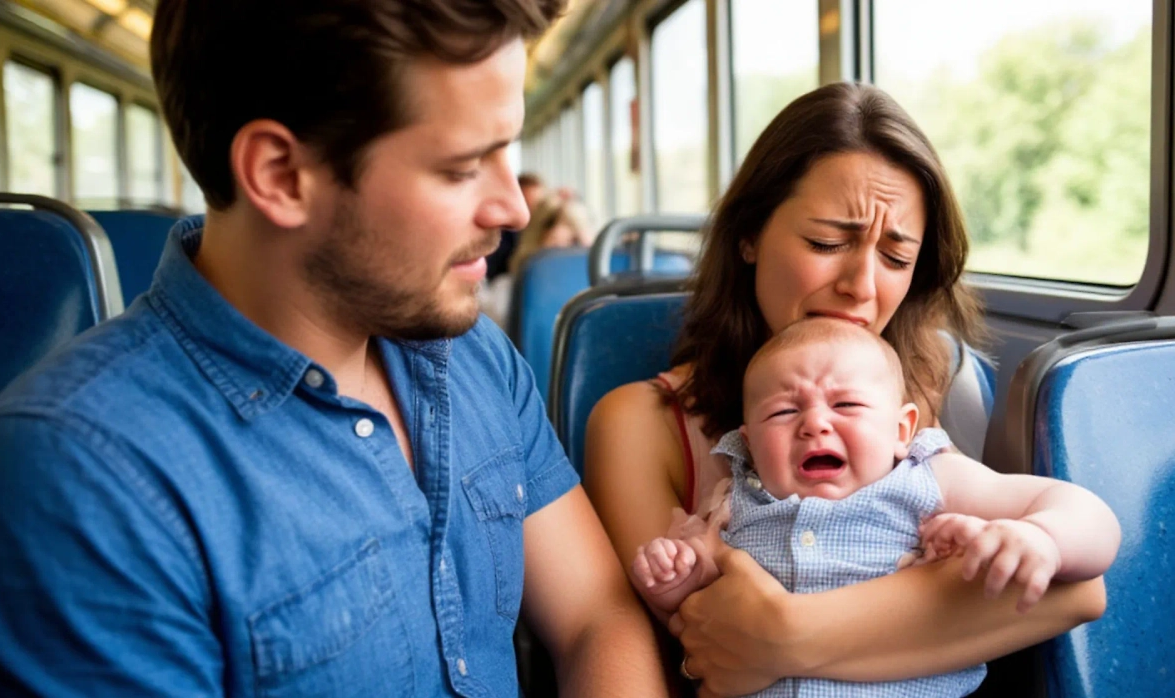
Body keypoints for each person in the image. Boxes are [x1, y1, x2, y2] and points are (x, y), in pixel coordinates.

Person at [0, 1, 665, 696]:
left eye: (506, 153)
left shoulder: (474, 353)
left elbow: (594, 618)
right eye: (462, 168)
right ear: (280, 174)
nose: (514, 209)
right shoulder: (78, 479)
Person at [584, 81, 1109, 698]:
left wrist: (787, 631)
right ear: (749, 235)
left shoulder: (925, 391)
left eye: (895, 256)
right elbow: (706, 635)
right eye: (828, 244)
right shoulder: (638, 423)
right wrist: (926, 609)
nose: (862, 287)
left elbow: (1069, 591)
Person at [630, 317, 1120, 697]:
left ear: (902, 431)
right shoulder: (734, 502)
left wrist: (1042, 537)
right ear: (749, 444)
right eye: (783, 411)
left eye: (846, 406)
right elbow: (700, 619)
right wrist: (677, 581)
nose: (815, 424)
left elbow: (1084, 511)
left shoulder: (928, 479)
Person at [480, 191, 594, 328]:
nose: (565, 263)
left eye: (575, 243)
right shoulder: (506, 293)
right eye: (555, 251)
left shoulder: (599, 294)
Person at [486, 172, 548, 280]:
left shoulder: (550, 232)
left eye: (538, 205)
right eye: (526, 204)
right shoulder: (503, 238)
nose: (532, 211)